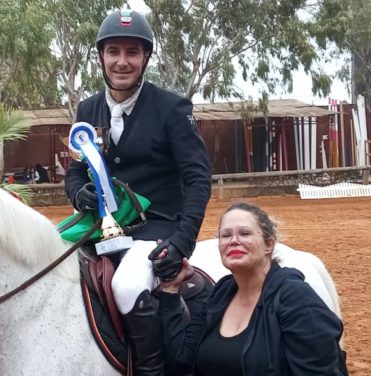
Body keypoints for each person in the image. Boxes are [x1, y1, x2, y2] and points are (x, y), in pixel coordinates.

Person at [64, 9, 211, 374]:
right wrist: (80, 194)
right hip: (101, 229)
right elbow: (76, 173)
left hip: (156, 228)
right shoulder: (88, 108)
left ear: (145, 57)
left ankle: (151, 370)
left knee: (128, 286)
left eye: (132, 52)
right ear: (101, 56)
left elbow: (198, 179)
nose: (122, 61)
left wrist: (180, 243)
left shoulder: (172, 109)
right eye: (114, 51)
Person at [157, 202, 347, 375]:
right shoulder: (220, 295)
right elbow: (181, 359)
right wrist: (170, 290)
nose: (233, 240)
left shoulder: (297, 299)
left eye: (245, 233)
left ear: (269, 244)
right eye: (226, 235)